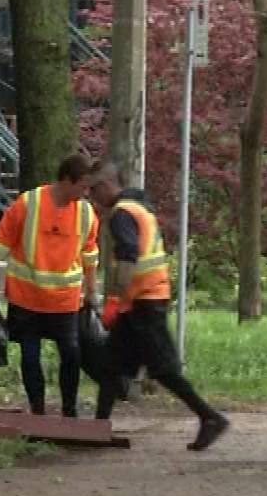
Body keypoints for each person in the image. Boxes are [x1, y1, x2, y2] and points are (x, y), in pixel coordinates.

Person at [88, 167, 230, 451]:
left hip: (143, 303)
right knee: (110, 366)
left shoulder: (122, 214)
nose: (91, 198)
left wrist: (114, 300)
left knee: (163, 369)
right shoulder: (141, 208)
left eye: (93, 190)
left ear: (105, 186)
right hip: (143, 301)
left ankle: (210, 417)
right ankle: (97, 429)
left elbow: (128, 254)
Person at [0, 155, 101, 416]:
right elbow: (2, 239)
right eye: (83, 187)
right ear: (67, 180)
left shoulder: (86, 213)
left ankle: (69, 410)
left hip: (64, 301)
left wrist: (92, 291)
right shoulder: (29, 204)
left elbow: (90, 254)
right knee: (30, 356)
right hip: (28, 298)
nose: (86, 193)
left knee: (71, 355)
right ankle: (38, 410)